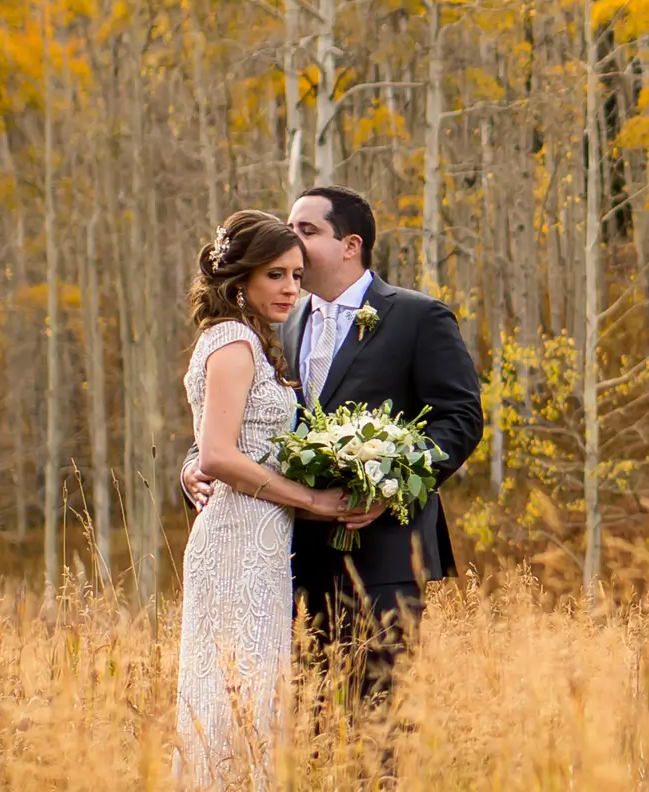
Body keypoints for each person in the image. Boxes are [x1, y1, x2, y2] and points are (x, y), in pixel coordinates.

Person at [186, 185, 484, 693]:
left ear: (350, 245)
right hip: (289, 551)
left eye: (306, 231)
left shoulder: (418, 317)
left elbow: (460, 418)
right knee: (303, 722)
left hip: (384, 553)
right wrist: (196, 461)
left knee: (377, 721)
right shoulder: (278, 319)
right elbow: (250, 419)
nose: (292, 243)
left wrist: (389, 485)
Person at [173, 210, 370, 792]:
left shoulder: (253, 340)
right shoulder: (234, 343)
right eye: (275, 276)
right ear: (240, 283)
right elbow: (218, 455)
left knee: (255, 691)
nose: (291, 288)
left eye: (295, 274)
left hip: (260, 537)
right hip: (236, 539)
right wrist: (314, 499)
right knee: (237, 690)